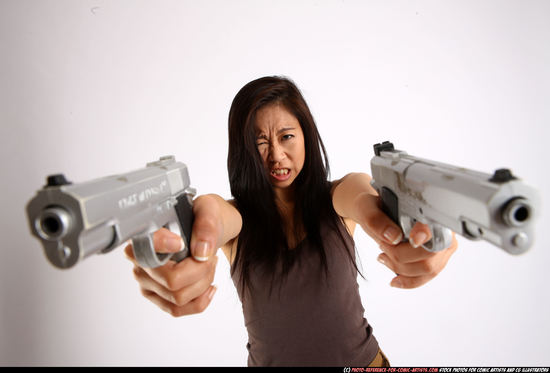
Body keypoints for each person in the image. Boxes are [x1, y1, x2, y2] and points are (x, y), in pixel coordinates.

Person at [124, 76, 458, 367]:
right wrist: (196, 232)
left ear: (306, 136)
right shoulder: (237, 220)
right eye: (260, 142)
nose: (276, 156)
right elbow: (213, 214)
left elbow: (360, 196)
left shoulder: (337, 197)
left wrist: (420, 227)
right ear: (244, 151)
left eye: (286, 137)